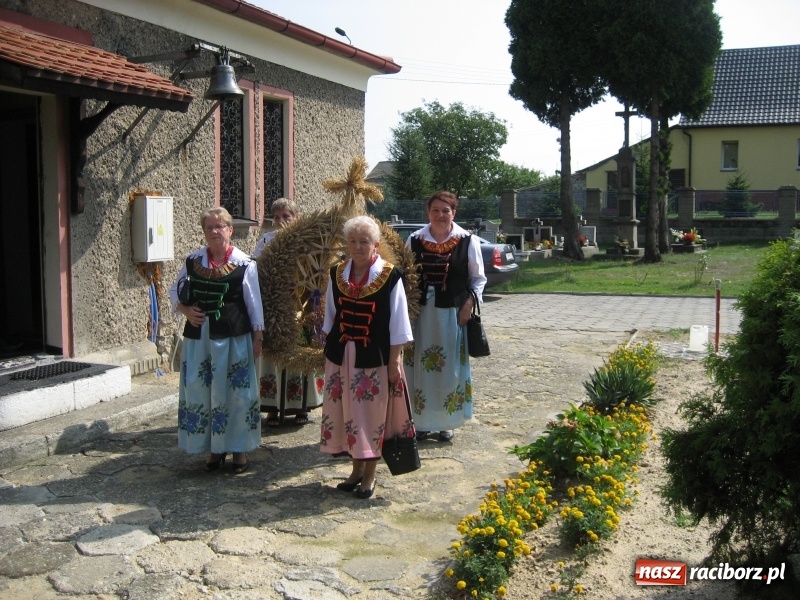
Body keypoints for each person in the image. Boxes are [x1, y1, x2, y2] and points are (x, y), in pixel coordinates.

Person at [320, 215, 414, 499]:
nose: (358, 247)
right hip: (341, 355)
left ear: (375, 244)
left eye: (364, 241)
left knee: (371, 415)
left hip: (374, 357)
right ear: (346, 244)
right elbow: (330, 317)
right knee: (348, 413)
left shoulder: (390, 276)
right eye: (352, 241)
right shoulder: (336, 274)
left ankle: (369, 475)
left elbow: (399, 322)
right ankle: (355, 470)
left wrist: (395, 360)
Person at [169, 207, 264, 474]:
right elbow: (173, 290)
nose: (215, 231)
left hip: (234, 339)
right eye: (209, 227)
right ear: (204, 231)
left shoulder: (245, 263)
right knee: (203, 392)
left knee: (237, 394)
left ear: (230, 230)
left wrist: (258, 338)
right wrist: (186, 310)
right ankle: (213, 448)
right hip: (201, 341)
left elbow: (254, 305)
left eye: (220, 226)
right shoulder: (192, 261)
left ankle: (239, 451)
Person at [405, 191, 486, 442]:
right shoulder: (415, 239)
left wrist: (467, 307)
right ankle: (421, 422)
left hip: (452, 314)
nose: (440, 215)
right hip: (420, 315)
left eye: (445, 211)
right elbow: (405, 276)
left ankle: (446, 421)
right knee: (419, 366)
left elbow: (478, 279)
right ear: (428, 213)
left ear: (454, 213)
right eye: (435, 211)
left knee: (448, 368)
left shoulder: (467, 241)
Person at [253, 198, 323, 426]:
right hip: (275, 305)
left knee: (300, 348)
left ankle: (300, 405)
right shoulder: (266, 240)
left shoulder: (308, 242)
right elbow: (256, 272)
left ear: (297, 217)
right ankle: (272, 405)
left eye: (286, 216)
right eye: (277, 217)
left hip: (301, 305)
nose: (281, 221)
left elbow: (317, 272)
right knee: (274, 350)